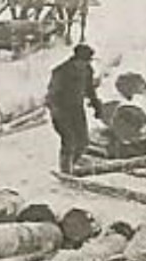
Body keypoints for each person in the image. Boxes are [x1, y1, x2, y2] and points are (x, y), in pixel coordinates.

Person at [45, 44, 105, 174]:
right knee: (69, 140)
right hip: (61, 110)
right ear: (77, 60)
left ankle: (73, 165)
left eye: (88, 61)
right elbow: (51, 95)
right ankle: (65, 170)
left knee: (83, 141)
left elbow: (90, 90)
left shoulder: (87, 70)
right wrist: (55, 112)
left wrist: (96, 106)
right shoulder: (61, 71)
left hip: (77, 109)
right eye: (84, 62)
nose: (86, 64)